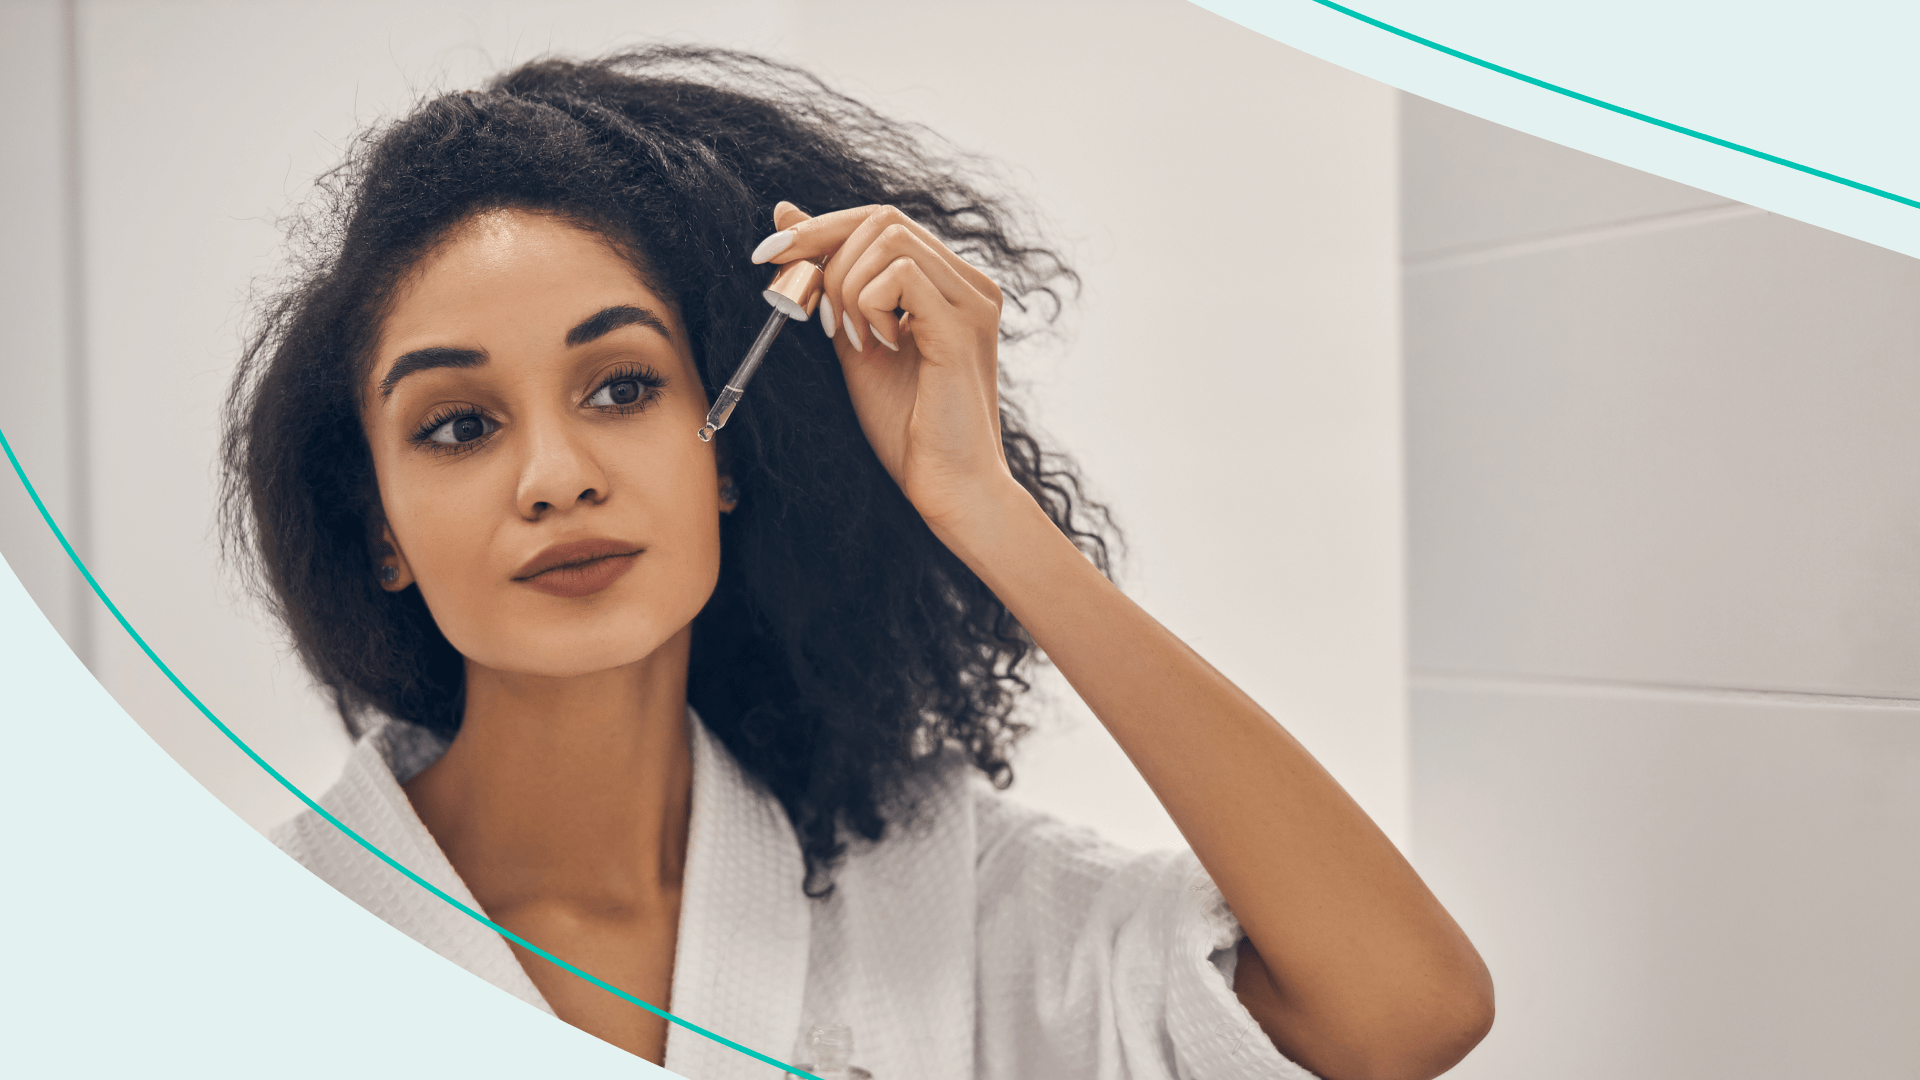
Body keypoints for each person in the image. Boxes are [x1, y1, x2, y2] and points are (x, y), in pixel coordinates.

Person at [223, 46, 1492, 1080]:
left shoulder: (930, 891)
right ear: (379, 523)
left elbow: (1405, 1011)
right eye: (458, 425)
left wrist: (985, 509)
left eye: (622, 386)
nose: (554, 474)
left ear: (724, 452)